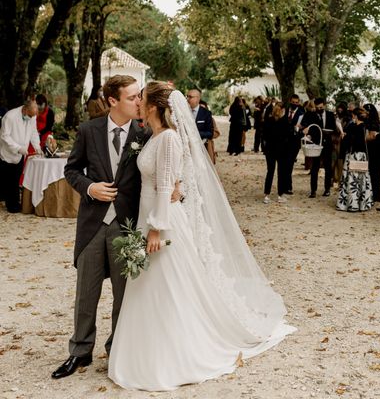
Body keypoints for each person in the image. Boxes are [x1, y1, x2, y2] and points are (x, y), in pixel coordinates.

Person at [108, 81, 295, 391]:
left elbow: (167, 186)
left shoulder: (168, 138)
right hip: (148, 218)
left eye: (141, 98)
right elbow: (169, 180)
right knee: (150, 287)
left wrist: (156, 227)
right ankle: (143, 351)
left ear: (153, 106)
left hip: (162, 223)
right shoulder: (153, 136)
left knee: (168, 286)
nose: (137, 102)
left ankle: (173, 353)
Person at [53, 75, 149, 379]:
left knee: (125, 295)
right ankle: (80, 352)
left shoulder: (144, 133)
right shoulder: (88, 130)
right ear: (112, 101)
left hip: (127, 224)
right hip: (93, 223)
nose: (138, 101)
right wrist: (90, 187)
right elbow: (71, 169)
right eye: (133, 97)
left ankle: (117, 349)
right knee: (86, 294)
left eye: (138, 96)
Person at [0, 99, 42, 213]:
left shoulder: (32, 116)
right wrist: (18, 148)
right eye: (30, 115)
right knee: (9, 179)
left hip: (20, 154)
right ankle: (11, 206)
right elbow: (4, 136)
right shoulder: (10, 116)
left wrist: (37, 147)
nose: (31, 117)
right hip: (8, 152)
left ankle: (15, 203)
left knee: (16, 177)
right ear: (25, 109)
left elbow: (33, 132)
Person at [336, 107, 373, 212]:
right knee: (361, 180)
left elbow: (353, 141)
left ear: (355, 116)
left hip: (353, 155)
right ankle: (362, 203)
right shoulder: (364, 126)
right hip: (362, 156)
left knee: (351, 180)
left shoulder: (355, 127)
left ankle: (351, 204)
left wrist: (344, 136)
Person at [301, 98, 337, 197]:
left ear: (324, 105)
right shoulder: (312, 114)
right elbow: (309, 127)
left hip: (327, 144)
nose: (319, 109)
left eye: (321, 107)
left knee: (328, 167)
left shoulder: (330, 115)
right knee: (314, 167)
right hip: (316, 144)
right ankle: (313, 190)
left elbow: (333, 128)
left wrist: (328, 132)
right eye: (317, 108)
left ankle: (327, 189)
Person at [261, 102, 289, 203]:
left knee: (270, 171)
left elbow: (264, 135)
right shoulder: (285, 121)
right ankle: (280, 194)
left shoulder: (268, 120)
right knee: (281, 172)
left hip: (270, 149)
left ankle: (266, 194)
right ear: (282, 110)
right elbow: (287, 136)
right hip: (281, 149)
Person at [283, 94, 304, 194]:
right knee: (284, 164)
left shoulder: (302, 112)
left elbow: (304, 127)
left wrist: (300, 128)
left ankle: (288, 186)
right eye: (293, 102)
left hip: (295, 142)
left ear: (299, 102)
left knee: (290, 164)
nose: (295, 104)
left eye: (297, 102)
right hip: (283, 141)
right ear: (290, 101)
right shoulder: (285, 110)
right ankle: (284, 185)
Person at [363, 103, 380, 202]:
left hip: (373, 150)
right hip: (369, 149)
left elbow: (372, 136)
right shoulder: (368, 121)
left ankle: (375, 194)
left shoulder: (373, 123)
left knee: (374, 172)